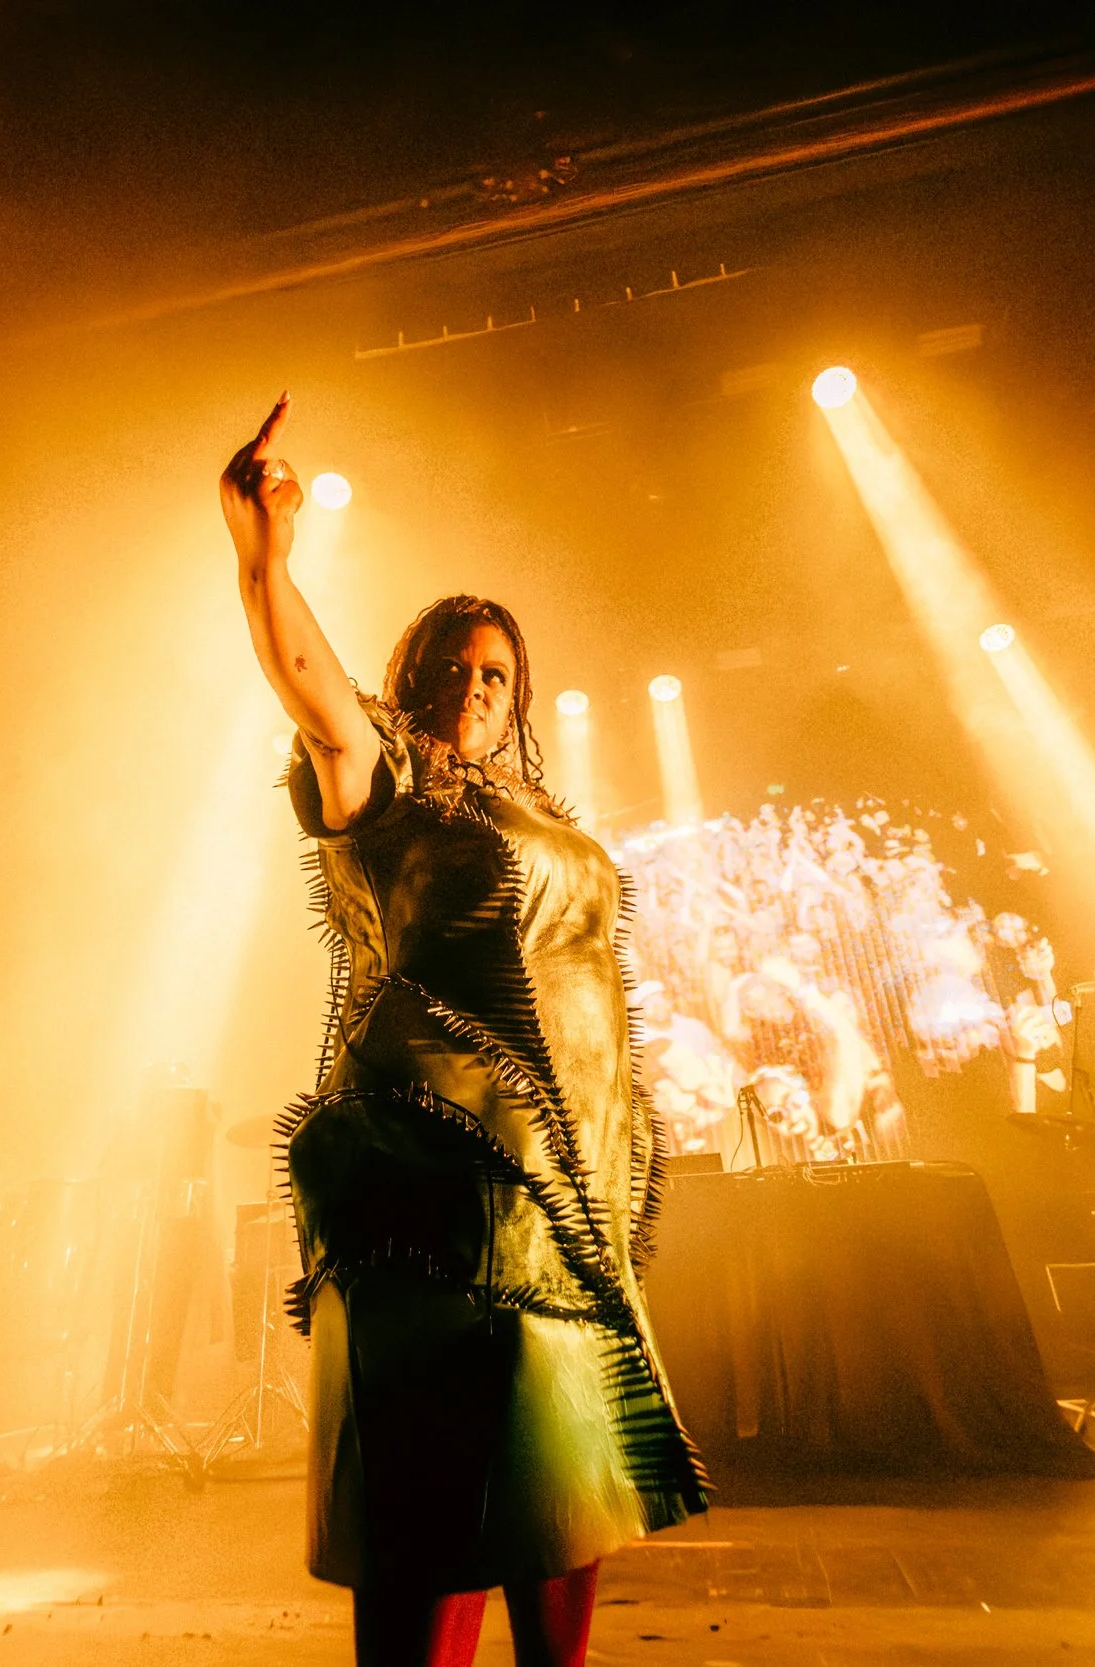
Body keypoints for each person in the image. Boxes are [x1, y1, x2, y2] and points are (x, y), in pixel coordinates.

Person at [223, 395, 705, 1667]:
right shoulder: (378, 777)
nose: (474, 688)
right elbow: (309, 684)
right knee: (434, 1514)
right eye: (451, 666)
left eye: (497, 672)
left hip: (572, 1198)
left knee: (563, 1493)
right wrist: (264, 554)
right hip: (438, 1191)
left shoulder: (536, 808)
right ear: (411, 679)